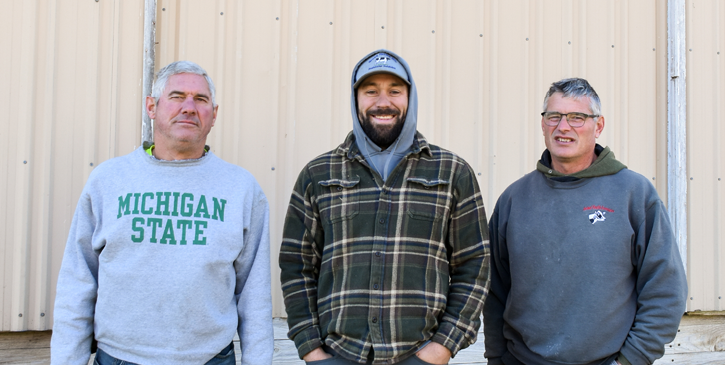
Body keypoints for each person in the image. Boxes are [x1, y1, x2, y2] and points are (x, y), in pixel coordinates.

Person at [50, 61, 273, 365]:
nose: (189, 107)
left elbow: (254, 294)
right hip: (120, 358)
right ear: (152, 107)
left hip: (209, 358)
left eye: (201, 99)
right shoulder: (108, 180)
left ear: (214, 115)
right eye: (177, 96)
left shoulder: (241, 188)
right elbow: (78, 282)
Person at [279, 49, 490, 365]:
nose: (383, 101)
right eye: (370, 91)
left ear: (410, 97)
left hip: (419, 354)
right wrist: (312, 351)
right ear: (356, 99)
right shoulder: (318, 175)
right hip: (338, 354)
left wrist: (441, 348)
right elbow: (297, 266)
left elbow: (474, 266)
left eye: (395, 91)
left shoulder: (452, 172)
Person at [483, 78, 687, 365]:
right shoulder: (514, 199)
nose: (563, 127)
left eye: (577, 117)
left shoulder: (634, 194)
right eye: (554, 116)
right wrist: (497, 358)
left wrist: (631, 360)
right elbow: (494, 291)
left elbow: (665, 289)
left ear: (598, 125)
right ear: (543, 125)